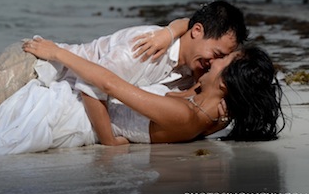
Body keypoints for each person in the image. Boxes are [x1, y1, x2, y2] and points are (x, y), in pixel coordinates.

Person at [0, 0, 247, 148]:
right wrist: (108, 141)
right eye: (215, 54)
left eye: (221, 60)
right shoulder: (144, 47)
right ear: (198, 33)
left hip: (49, 87)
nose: (214, 63)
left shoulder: (187, 67)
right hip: (34, 66)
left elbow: (234, 64)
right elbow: (92, 87)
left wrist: (175, 27)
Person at [23, 38, 285, 144]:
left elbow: (109, 84)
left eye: (222, 61)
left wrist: (57, 52)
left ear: (226, 84)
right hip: (82, 104)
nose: (213, 61)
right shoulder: (216, 117)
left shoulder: (185, 114)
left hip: (72, 114)